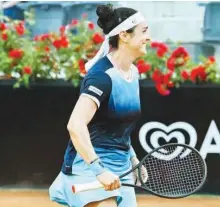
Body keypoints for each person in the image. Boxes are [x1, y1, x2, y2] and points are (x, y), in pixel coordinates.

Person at [49, 4, 151, 207]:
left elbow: (119, 124)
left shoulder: (133, 73)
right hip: (88, 164)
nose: (148, 37)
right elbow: (75, 125)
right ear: (124, 35)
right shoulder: (101, 77)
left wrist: (132, 158)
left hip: (121, 166)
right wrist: (99, 170)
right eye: (144, 32)